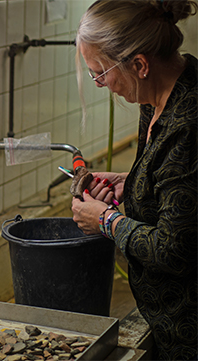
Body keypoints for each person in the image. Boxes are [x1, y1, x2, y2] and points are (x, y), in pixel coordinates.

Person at [70, 0, 197, 360]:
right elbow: (182, 183)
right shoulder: (159, 97)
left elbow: (173, 250)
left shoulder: (188, 125)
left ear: (140, 65)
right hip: (167, 315)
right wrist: (135, 180)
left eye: (99, 73)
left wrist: (106, 221)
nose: (98, 84)